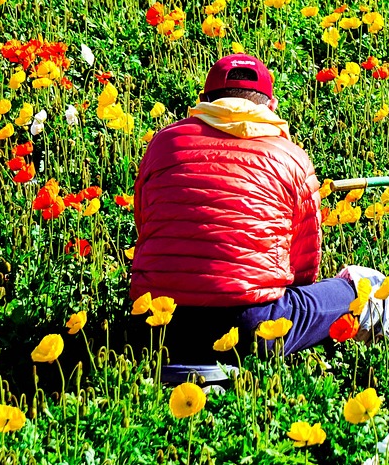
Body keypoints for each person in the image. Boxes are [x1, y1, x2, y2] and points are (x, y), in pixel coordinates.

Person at [131, 54, 358, 374]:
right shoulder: (290, 157)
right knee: (355, 289)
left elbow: (145, 222)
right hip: (250, 327)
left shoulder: (162, 144)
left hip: (158, 327)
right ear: (272, 105)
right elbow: (304, 265)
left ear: (203, 101)